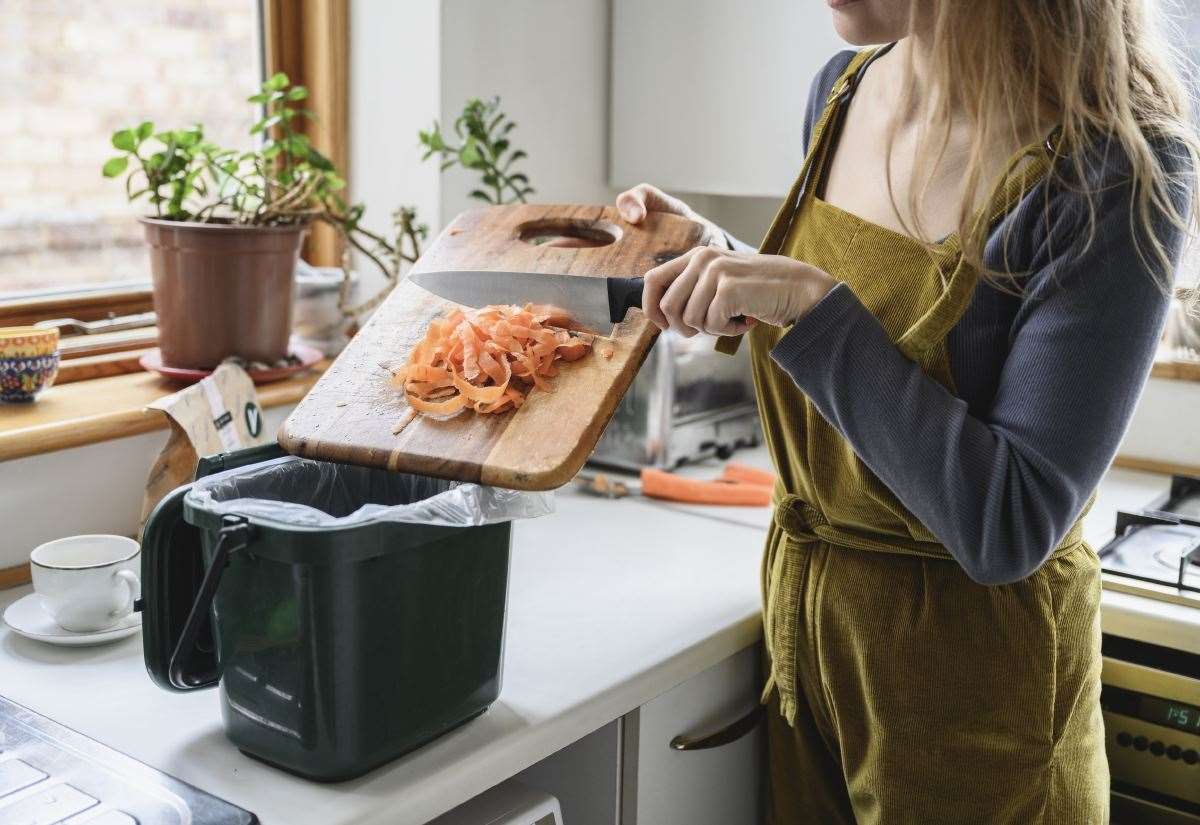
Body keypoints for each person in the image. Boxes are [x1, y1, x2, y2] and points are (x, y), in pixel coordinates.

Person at [615, 1, 1198, 822]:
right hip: (810, 661)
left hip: (977, 707)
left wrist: (806, 303)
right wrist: (719, 267)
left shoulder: (1115, 166)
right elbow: (872, 339)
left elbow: (1011, 520)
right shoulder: (843, 89)